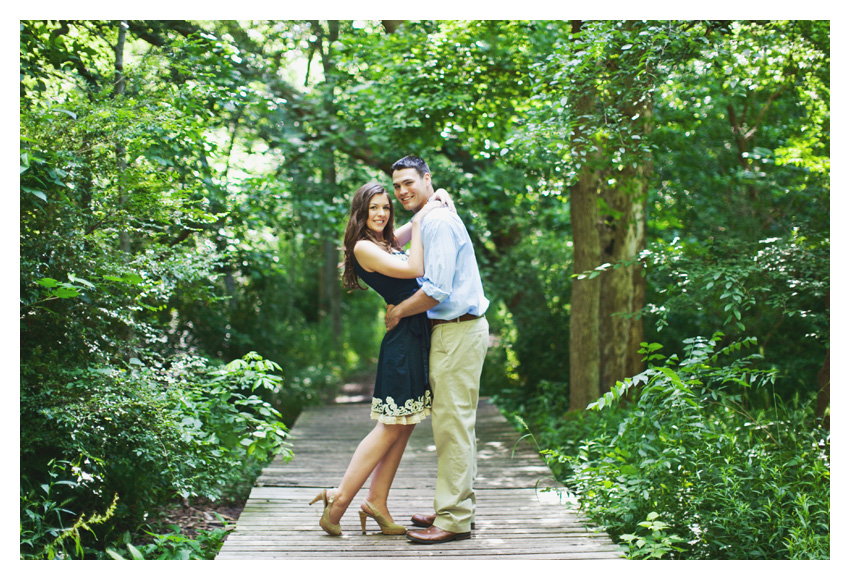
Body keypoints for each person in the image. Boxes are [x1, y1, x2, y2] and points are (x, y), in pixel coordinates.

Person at [309, 181, 449, 536]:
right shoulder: (363, 248)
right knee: (389, 426)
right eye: (374, 208)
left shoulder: (384, 242)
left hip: (415, 334)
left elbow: (418, 216)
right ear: (361, 211)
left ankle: (377, 502)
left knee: (405, 424)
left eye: (386, 207)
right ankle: (338, 502)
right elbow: (417, 268)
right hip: (402, 343)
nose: (382, 213)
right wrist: (420, 220)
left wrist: (436, 197)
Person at [385, 155, 490, 544]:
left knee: (453, 427)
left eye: (409, 182)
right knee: (454, 425)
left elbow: (437, 291)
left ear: (428, 179)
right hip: (450, 333)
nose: (402, 191)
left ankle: (454, 518)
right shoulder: (428, 217)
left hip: (457, 330)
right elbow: (391, 243)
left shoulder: (439, 222)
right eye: (396, 186)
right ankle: (455, 504)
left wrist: (398, 312)